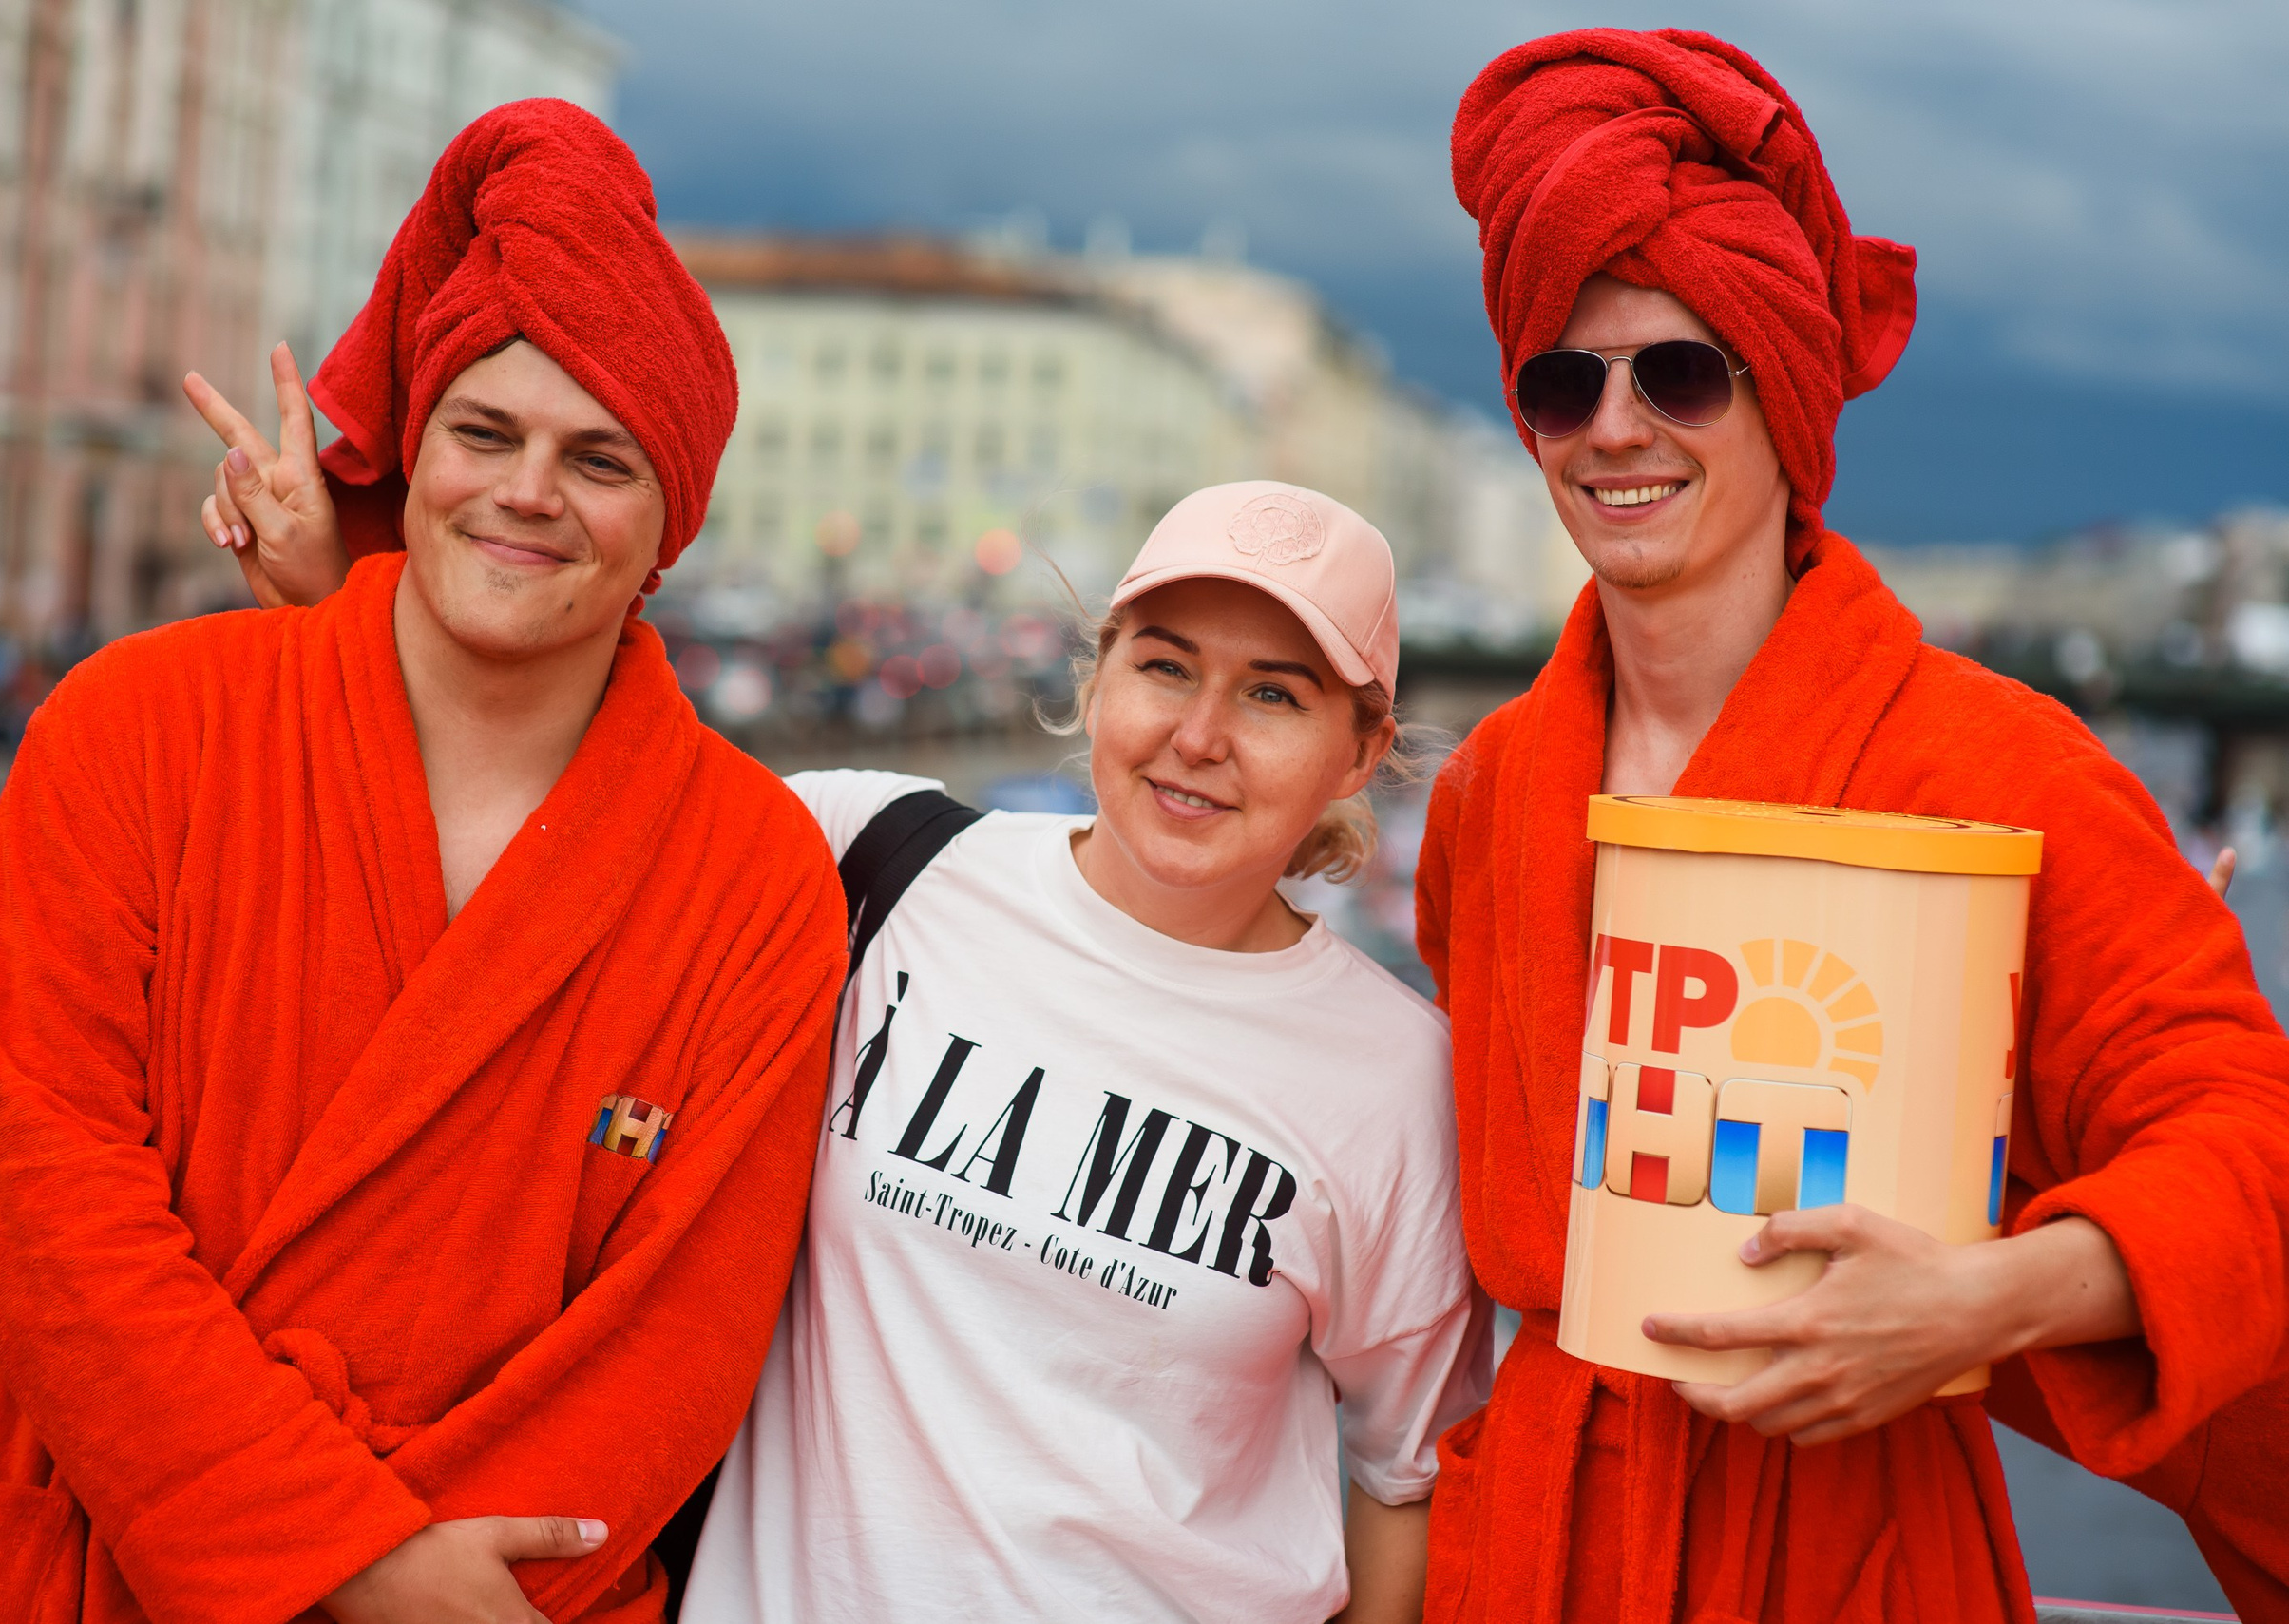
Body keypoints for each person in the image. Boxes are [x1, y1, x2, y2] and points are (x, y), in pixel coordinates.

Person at [0, 101, 845, 1624]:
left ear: (669, 525)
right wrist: (347, 1559)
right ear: (422, 447)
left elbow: (679, 1334)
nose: (526, 492)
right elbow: (29, 1173)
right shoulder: (138, 723)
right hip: (75, 1567)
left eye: (600, 459)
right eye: (484, 432)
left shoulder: (754, 873)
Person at [221, 474, 1491, 1621]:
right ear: (1098, 678)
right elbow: (553, 825)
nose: (1200, 734)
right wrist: (356, 596)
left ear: (1361, 751)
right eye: (1165, 666)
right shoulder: (871, 854)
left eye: (1274, 693)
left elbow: (1407, 1475)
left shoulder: (1390, 1077)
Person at [1417, 28, 2289, 1624]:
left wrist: (1985, 1298)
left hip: (1850, 1555)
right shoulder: (1483, 795)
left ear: (1783, 393)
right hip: (1540, 1553)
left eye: (1679, 370)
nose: (1616, 427)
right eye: (1563, 380)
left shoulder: (2007, 763)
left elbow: (2250, 1142)